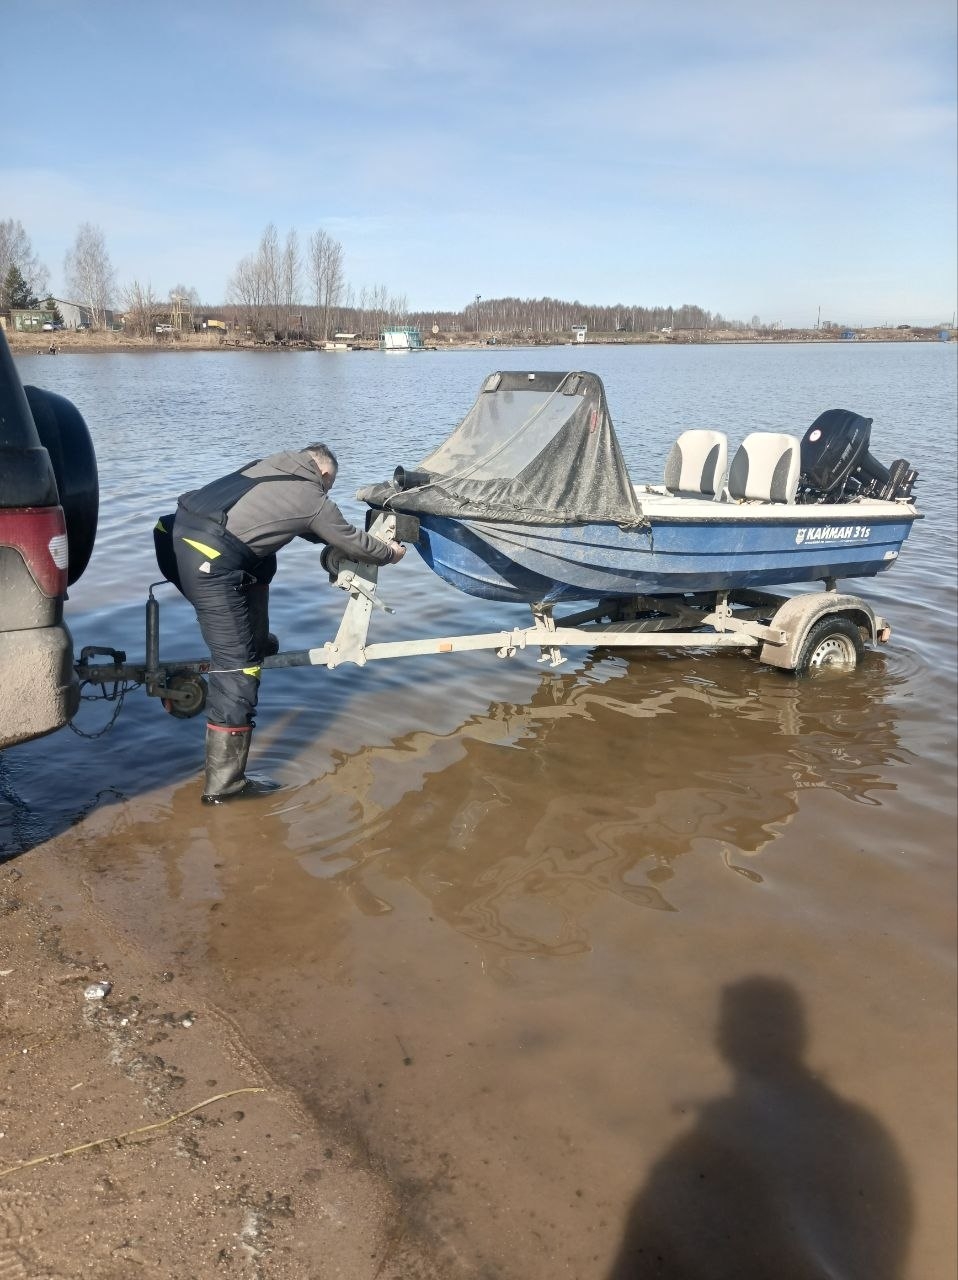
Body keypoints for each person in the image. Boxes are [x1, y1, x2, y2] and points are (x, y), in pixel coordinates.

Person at [154, 442, 405, 805]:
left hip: (173, 535)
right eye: (328, 485)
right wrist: (389, 553)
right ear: (322, 472)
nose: (326, 492)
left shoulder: (266, 467)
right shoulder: (310, 495)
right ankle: (224, 786)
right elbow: (348, 538)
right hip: (208, 560)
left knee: (263, 561)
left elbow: (296, 524)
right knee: (239, 669)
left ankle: (249, 639)